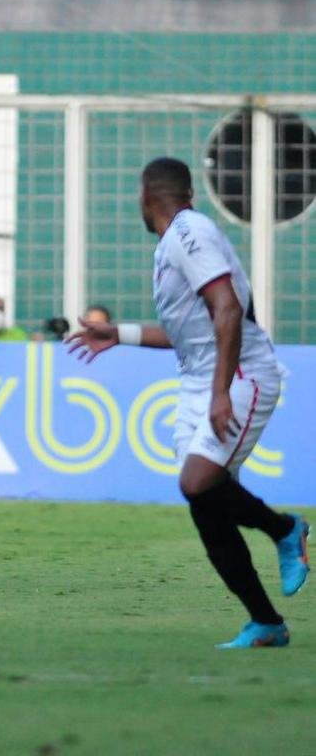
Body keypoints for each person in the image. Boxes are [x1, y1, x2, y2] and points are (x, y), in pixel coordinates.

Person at [66, 157, 308, 649]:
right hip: (201, 379)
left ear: (147, 195)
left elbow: (228, 307)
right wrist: (121, 334)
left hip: (241, 374)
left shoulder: (187, 232)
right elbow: (189, 333)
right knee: (205, 503)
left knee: (197, 481)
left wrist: (221, 392)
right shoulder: (176, 241)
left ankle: (286, 529)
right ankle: (265, 621)